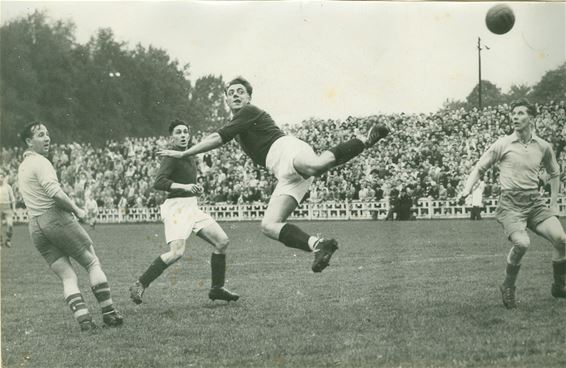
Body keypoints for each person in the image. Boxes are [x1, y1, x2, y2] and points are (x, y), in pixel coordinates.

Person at [159, 77, 389, 272]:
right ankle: (319, 245)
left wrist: (185, 153)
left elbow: (217, 138)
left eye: (241, 92)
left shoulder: (249, 112)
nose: (236, 95)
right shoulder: (238, 121)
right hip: (281, 171)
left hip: (285, 150)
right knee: (269, 225)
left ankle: (363, 140)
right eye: (231, 93)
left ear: (249, 98)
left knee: (315, 166)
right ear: (227, 100)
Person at [458, 99, 566, 309]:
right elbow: (479, 167)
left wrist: (553, 205)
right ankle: (508, 286)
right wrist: (466, 190)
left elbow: (555, 172)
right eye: (513, 113)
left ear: (531, 118)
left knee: (562, 239)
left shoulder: (543, 146)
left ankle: (559, 286)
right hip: (510, 204)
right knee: (522, 243)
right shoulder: (503, 143)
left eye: (520, 113)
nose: (515, 117)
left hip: (534, 203)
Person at [17, 122, 123, 331]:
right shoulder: (41, 162)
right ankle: (109, 314)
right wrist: (78, 210)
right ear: (29, 142)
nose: (47, 138)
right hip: (54, 218)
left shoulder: (22, 166)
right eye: (40, 134)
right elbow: (54, 193)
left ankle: (84, 321)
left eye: (47, 133)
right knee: (92, 263)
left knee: (68, 275)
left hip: (35, 227)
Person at [129, 119, 239, 305]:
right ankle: (140, 284)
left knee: (222, 241)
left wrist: (194, 189)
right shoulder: (171, 156)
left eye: (185, 132)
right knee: (177, 252)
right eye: (178, 132)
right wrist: (186, 186)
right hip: (176, 208)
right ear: (171, 137)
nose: (183, 135)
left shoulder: (189, 154)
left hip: (191, 206)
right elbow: (159, 182)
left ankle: (217, 288)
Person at [0, 171, 16, 247]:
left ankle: (8, 240)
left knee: (10, 225)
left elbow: (12, 198)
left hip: (7, 207)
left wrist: (14, 208)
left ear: (4, 178)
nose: (0, 179)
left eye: (1, 177)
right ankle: (0, 242)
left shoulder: (8, 187)